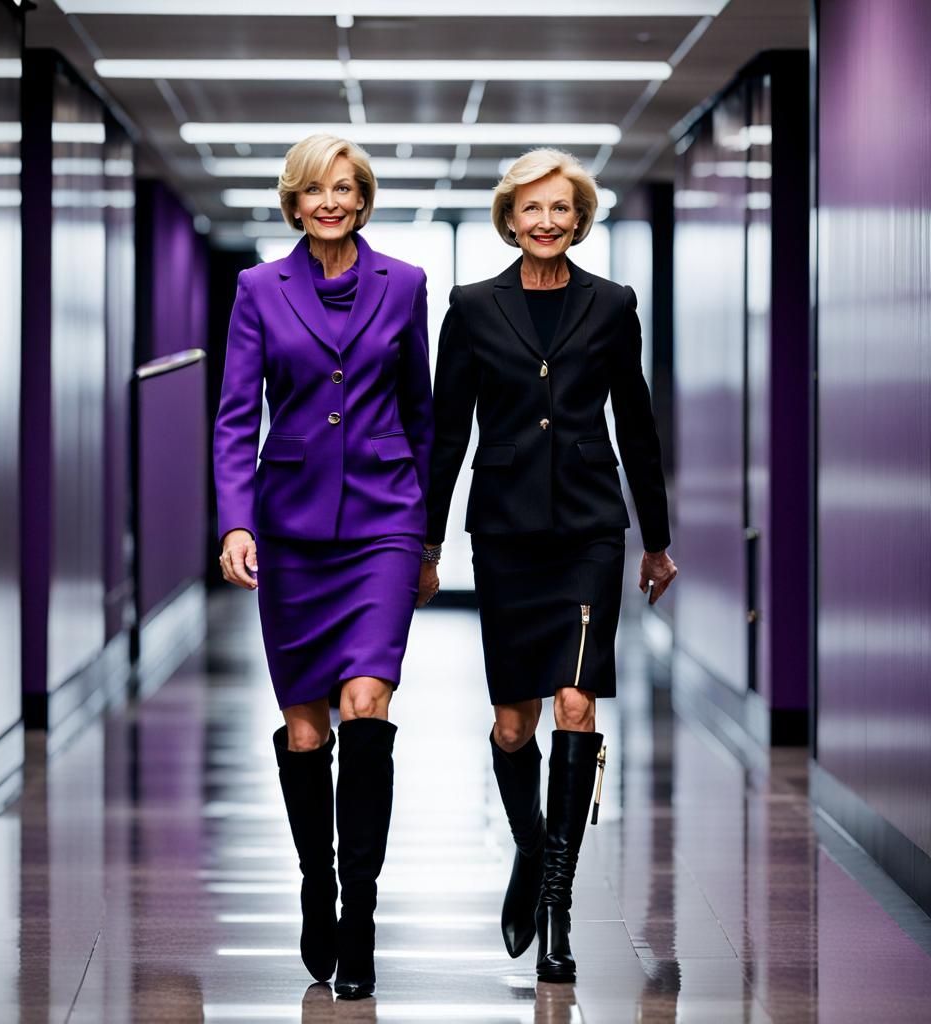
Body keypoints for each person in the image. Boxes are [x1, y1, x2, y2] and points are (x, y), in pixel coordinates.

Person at [422, 149, 677, 983]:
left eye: (560, 208)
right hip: (504, 531)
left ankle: (558, 908)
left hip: (589, 528)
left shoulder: (611, 304)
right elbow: (448, 431)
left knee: (575, 703)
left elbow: (635, 422)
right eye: (530, 208)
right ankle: (532, 850)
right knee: (513, 722)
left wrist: (656, 538)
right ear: (509, 218)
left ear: (579, 218)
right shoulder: (471, 307)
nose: (545, 221)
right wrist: (428, 543)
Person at [213, 134, 434, 999]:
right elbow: (237, 417)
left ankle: (363, 909)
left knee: (367, 703)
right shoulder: (258, 289)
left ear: (363, 199)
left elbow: (419, 412)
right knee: (307, 730)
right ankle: (319, 881)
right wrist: (237, 523)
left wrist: (426, 537)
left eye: (346, 188)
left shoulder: (405, 284)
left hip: (384, 520)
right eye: (316, 190)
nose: (332, 202)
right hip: (293, 529)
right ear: (295, 203)